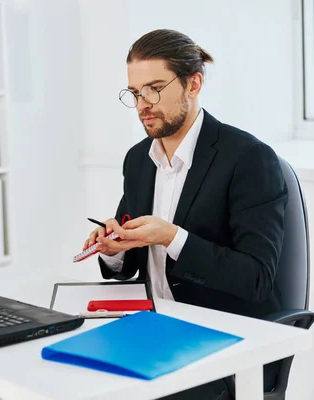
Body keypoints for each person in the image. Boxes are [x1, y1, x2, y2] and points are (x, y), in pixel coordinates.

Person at [84, 29, 288, 400]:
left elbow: (257, 279)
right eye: (134, 93)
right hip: (155, 332)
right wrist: (113, 250)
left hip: (226, 341)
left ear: (193, 84)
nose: (142, 103)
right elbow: (130, 259)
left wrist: (170, 237)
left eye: (155, 88)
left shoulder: (248, 159)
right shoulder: (138, 159)